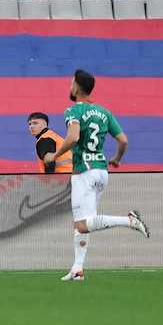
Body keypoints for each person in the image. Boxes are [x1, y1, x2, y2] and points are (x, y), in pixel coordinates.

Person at [42, 69, 150, 282]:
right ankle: (77, 269)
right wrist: (117, 159)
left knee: (82, 224)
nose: (70, 85)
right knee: (84, 223)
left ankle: (129, 220)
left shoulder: (73, 112)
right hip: (102, 171)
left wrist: (54, 155)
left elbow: (73, 137)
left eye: (72, 82)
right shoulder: (104, 112)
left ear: (77, 87)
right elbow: (124, 141)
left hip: (84, 172)